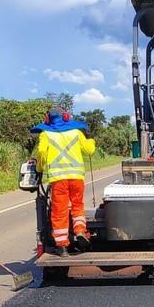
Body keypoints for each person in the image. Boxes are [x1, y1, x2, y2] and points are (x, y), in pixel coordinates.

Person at [32, 107, 96, 256]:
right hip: (76, 178)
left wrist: (39, 167)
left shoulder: (45, 134)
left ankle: (62, 246)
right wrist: (91, 141)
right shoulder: (76, 132)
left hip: (58, 179)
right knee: (77, 206)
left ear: (47, 119)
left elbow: (41, 152)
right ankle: (80, 230)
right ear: (66, 117)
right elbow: (89, 150)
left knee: (59, 211)